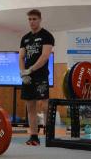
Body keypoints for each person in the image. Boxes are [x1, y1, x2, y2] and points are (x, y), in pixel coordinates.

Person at [19, 9, 55, 146]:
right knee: (30, 106)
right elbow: (21, 57)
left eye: (34, 19)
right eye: (29, 19)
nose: (32, 22)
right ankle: (34, 136)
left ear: (40, 19)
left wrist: (30, 70)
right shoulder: (25, 38)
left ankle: (49, 135)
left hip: (40, 75)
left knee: (45, 105)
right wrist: (23, 73)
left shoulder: (47, 36)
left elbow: (45, 56)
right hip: (28, 76)